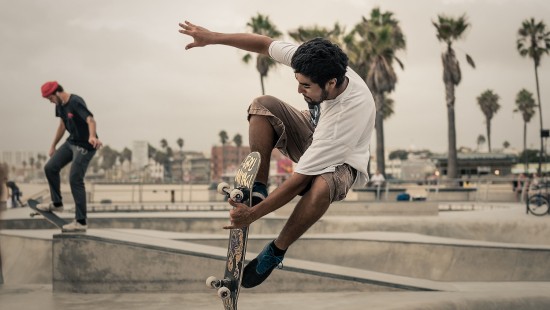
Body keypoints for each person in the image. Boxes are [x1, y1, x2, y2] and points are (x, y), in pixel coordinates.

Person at [178, 21, 375, 288]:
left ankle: (276, 251)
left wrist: (253, 215)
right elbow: (263, 43)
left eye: (306, 86)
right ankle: (258, 186)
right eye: (298, 82)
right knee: (262, 106)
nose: (298, 91)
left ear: (331, 83)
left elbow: (300, 179)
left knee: (320, 186)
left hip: (344, 162)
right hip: (314, 131)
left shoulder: (347, 115)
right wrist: (212, 37)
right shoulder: (314, 61)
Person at [38, 81, 102, 232]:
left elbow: (91, 120)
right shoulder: (59, 105)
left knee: (75, 178)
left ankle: (80, 221)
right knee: (50, 167)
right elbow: (62, 125)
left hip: (85, 145)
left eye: (50, 99)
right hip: (71, 142)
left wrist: (92, 136)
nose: (51, 102)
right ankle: (57, 203)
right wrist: (53, 145)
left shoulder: (75, 102)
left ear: (57, 93)